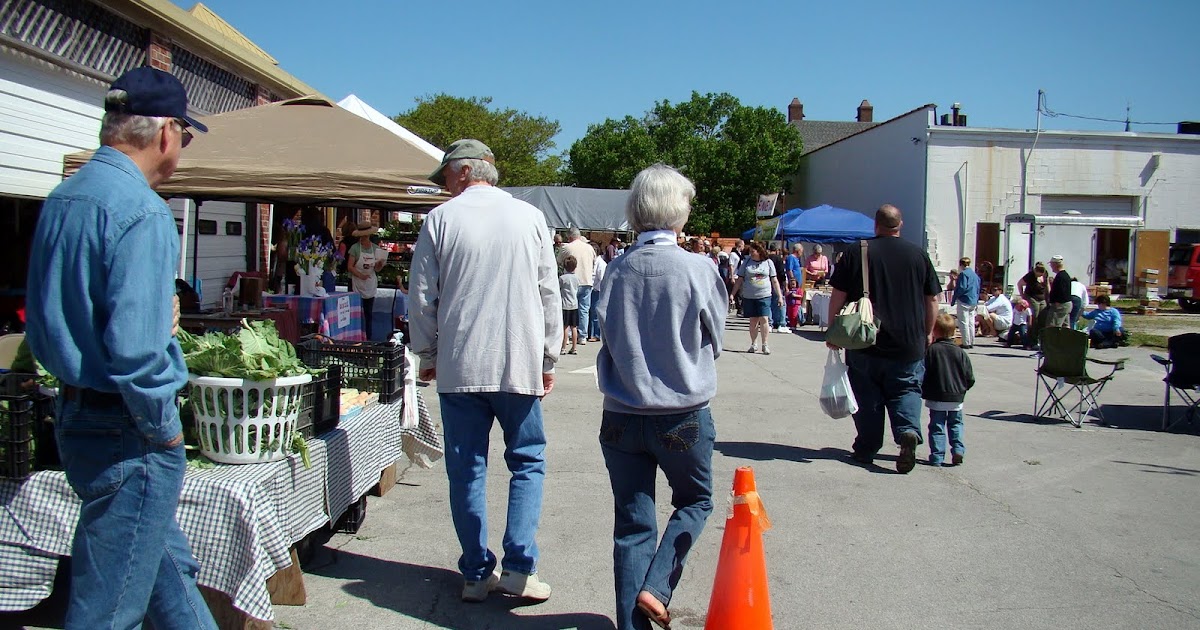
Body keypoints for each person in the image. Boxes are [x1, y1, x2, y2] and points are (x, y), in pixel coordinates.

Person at [24, 66, 217, 629]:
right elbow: (136, 352)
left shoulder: (66, 197)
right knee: (109, 608)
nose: (180, 147)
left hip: (79, 412)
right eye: (183, 134)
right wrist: (164, 427)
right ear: (165, 133)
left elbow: (46, 319)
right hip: (126, 428)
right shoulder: (142, 211)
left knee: (164, 572)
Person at [409, 139, 562, 603]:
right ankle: (519, 567)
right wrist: (548, 357)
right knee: (527, 462)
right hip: (517, 360)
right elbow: (548, 292)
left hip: (460, 364)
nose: (445, 187)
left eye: (446, 178)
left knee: (467, 470)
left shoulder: (440, 220)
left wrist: (428, 353)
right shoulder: (530, 216)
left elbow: (421, 296)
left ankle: (477, 573)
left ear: (461, 173)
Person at [596, 164, 727, 630]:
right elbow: (717, 334)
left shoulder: (614, 271)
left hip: (621, 415)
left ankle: (633, 622)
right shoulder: (698, 268)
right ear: (680, 213)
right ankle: (657, 586)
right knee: (695, 501)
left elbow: (605, 336)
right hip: (681, 414)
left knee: (632, 525)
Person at [826, 204, 940, 474]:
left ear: (875, 225)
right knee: (906, 389)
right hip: (908, 340)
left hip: (865, 337)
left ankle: (867, 447)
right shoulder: (918, 254)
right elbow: (933, 299)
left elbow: (838, 295)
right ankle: (907, 432)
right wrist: (927, 331)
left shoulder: (858, 251)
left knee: (866, 395)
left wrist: (833, 331)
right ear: (900, 225)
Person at [923, 313, 975, 466]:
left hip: (937, 395)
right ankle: (958, 450)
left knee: (937, 426)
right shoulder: (960, 352)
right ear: (953, 332)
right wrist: (963, 389)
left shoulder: (931, 351)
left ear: (935, 331)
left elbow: (924, 372)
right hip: (956, 395)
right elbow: (969, 376)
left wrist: (924, 389)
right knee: (956, 424)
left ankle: (937, 456)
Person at [732, 243, 783, 355]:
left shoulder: (768, 262)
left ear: (759, 251)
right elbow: (739, 279)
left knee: (764, 318)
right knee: (753, 320)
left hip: (764, 294)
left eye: (753, 251)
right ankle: (754, 343)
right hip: (749, 295)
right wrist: (732, 294)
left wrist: (779, 296)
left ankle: (765, 344)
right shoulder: (747, 262)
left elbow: (774, 280)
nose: (751, 254)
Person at [348, 221, 387, 340]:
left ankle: (368, 339)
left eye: (366, 235)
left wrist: (380, 264)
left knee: (368, 314)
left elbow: (377, 269)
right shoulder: (355, 248)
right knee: (355, 313)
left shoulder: (375, 249)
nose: (365, 237)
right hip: (356, 283)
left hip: (369, 283)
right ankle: (355, 337)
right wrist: (360, 275)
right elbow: (350, 266)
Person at [560, 227, 596, 346]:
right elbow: (594, 261)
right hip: (586, 280)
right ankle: (582, 336)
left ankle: (569, 334)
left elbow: (559, 260)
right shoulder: (589, 248)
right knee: (584, 309)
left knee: (569, 307)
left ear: (569, 237)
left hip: (571, 280)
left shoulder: (567, 247)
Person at [952, 257, 981, 349]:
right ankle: (972, 341)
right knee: (971, 322)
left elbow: (962, 287)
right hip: (973, 300)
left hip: (964, 299)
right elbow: (977, 288)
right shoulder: (975, 275)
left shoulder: (963, 274)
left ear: (961, 264)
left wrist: (954, 298)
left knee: (963, 321)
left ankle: (966, 342)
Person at [1017, 262, 1048, 346]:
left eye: (1041, 273)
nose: (1040, 275)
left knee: (1042, 318)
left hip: (1042, 298)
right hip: (1032, 296)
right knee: (1035, 317)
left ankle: (1040, 339)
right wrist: (1022, 295)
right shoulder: (1030, 276)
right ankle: (1031, 339)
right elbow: (1019, 283)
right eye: (1038, 273)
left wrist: (1049, 296)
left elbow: (1047, 285)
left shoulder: (1045, 275)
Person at [560, 255, 581, 354]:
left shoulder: (562, 278)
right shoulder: (576, 278)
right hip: (574, 304)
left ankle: (563, 347)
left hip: (564, 304)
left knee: (565, 327)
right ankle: (574, 347)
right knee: (574, 327)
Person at [1045, 255, 1073, 329]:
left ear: (1056, 264)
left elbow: (1062, 292)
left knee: (1053, 327)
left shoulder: (1061, 277)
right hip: (1066, 305)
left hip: (1060, 305)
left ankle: (1052, 340)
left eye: (1051, 264)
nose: (1051, 266)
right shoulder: (1065, 275)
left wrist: (1057, 303)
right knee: (1065, 326)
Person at [767, 243, 788, 332]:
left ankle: (770, 323)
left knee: (769, 304)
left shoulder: (766, 259)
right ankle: (782, 323)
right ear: (777, 250)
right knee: (781, 302)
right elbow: (781, 273)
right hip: (777, 283)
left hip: (767, 283)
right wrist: (785, 284)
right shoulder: (778, 259)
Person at [588, 243, 607, 342]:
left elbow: (602, 279)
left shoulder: (601, 264)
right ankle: (590, 333)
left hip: (597, 291)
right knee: (590, 312)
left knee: (595, 313)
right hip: (592, 290)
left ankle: (596, 334)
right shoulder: (594, 262)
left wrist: (595, 287)